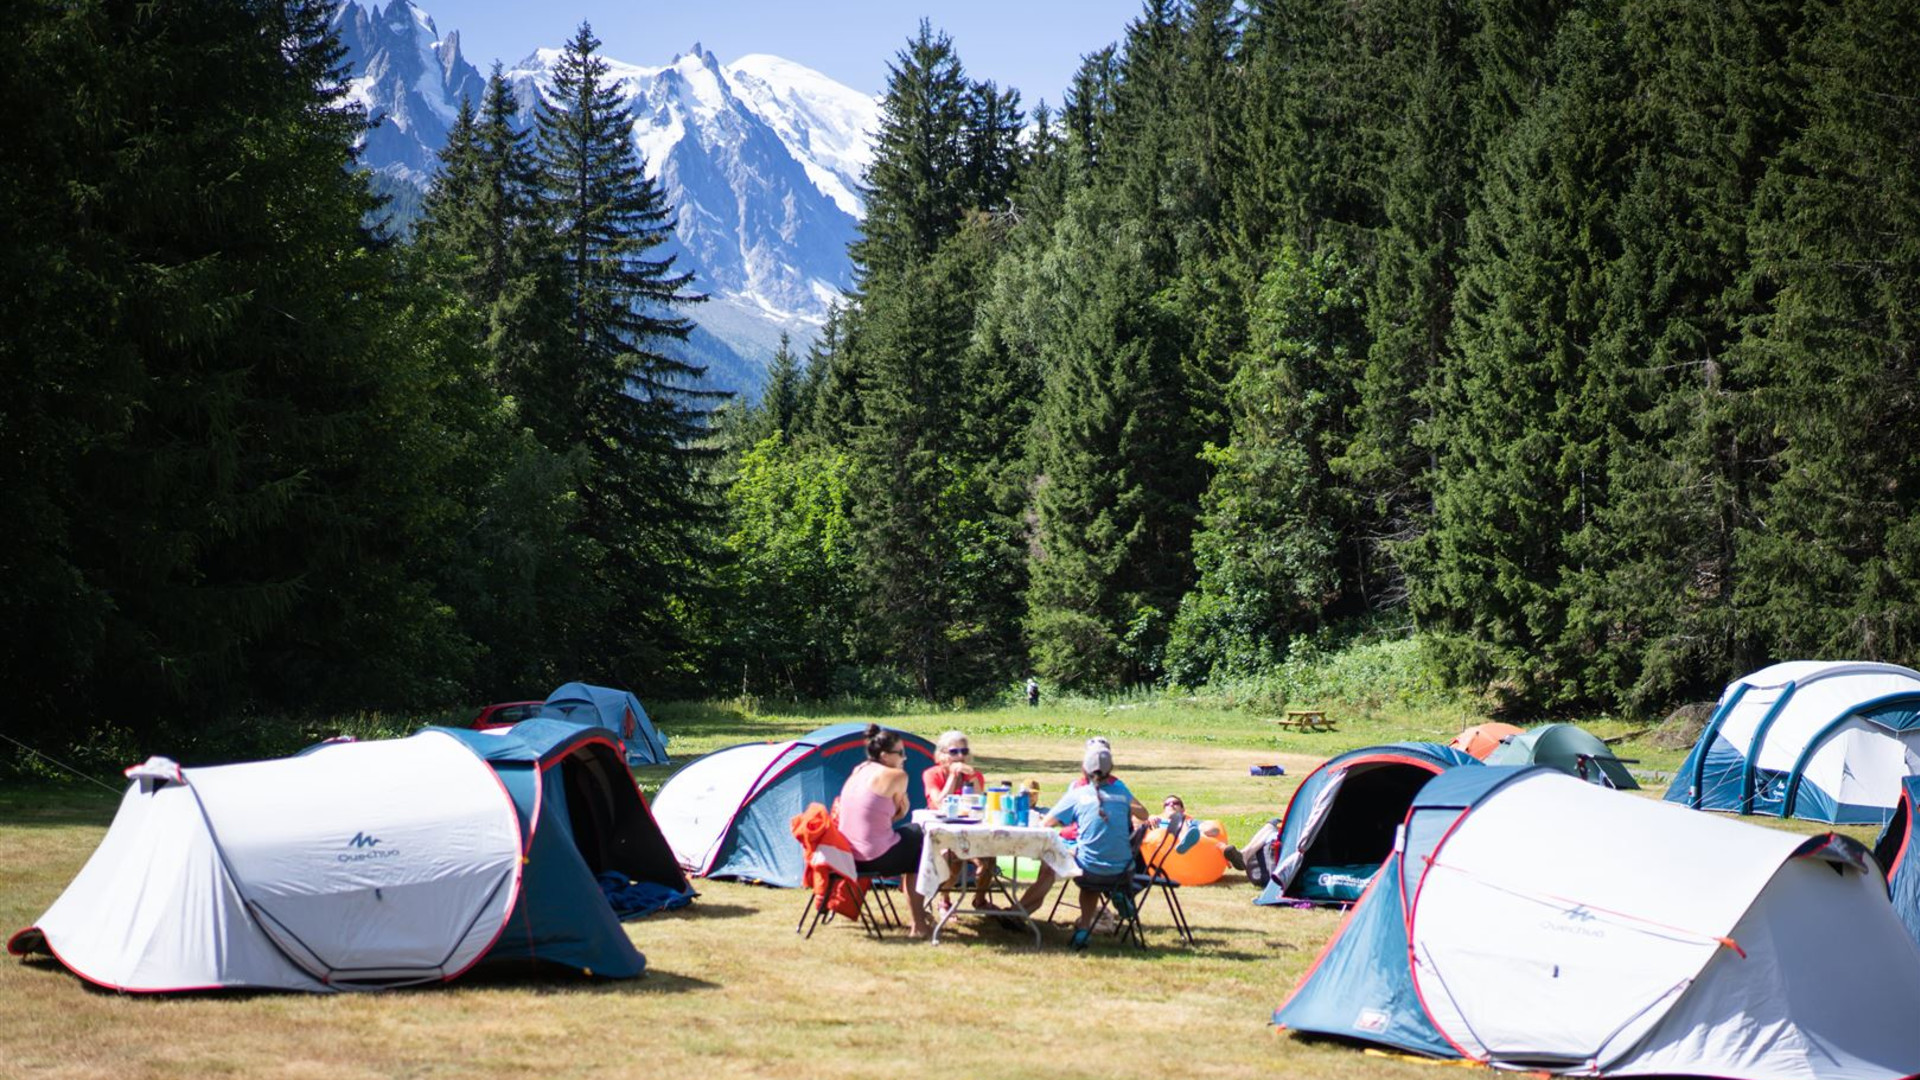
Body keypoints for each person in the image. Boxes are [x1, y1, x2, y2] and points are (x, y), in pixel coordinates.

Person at [1018, 741, 1147, 949]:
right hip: (1125, 872)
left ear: (1084, 768)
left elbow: (1046, 823)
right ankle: (1116, 895)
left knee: (1077, 870)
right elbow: (1140, 815)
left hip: (1091, 871)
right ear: (1111, 769)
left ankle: (1081, 929)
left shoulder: (1078, 794)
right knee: (1095, 863)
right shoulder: (1123, 794)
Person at [837, 724, 933, 937]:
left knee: (912, 840)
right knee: (920, 839)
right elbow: (898, 814)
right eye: (901, 753)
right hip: (873, 857)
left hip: (847, 856)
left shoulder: (860, 769)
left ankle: (919, 914)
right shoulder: (896, 776)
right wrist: (902, 810)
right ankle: (919, 923)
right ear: (885, 755)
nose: (904, 758)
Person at [922, 730, 998, 911]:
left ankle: (980, 900)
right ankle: (944, 899)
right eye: (954, 752)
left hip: (972, 831)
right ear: (942, 754)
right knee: (952, 858)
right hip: (944, 832)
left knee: (989, 858)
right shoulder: (932, 774)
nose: (959, 756)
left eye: (964, 751)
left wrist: (971, 778)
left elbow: (981, 804)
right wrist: (952, 776)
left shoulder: (974, 775)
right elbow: (939, 803)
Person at [1148, 794, 1246, 872]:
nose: (1171, 805)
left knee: (1196, 828)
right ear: (1164, 810)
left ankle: (1227, 852)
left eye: (1175, 803)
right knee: (1180, 823)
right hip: (1167, 851)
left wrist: (1200, 831)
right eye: (1167, 804)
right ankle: (1225, 852)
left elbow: (1215, 830)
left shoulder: (1190, 822)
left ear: (1182, 810)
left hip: (1195, 852)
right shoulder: (1156, 821)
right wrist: (1149, 818)